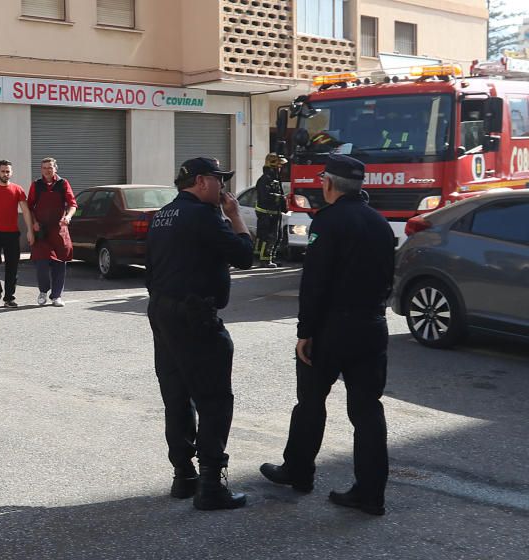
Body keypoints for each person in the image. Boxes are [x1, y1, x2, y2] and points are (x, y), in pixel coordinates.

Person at [260, 154, 395, 516]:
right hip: (372, 325)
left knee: (310, 402)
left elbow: (315, 282)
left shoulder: (328, 221)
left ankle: (299, 471)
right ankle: (370, 493)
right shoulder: (381, 224)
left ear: (329, 183)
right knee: (367, 411)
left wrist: (306, 331)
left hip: (332, 328)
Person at [145, 157, 254, 511]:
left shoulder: (162, 214)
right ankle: (211, 485)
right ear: (202, 181)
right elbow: (244, 256)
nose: (223, 188)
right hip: (194, 315)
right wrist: (235, 216)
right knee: (214, 399)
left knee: (176, 396)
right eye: (219, 181)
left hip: (162, 311)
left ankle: (183, 475)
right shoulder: (203, 215)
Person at [0, 160, 35, 308]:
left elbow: (26, 211)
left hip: (12, 234)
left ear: (11, 172)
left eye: (8, 171)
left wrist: (30, 230)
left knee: (12, 266)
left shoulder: (18, 190)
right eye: (3, 171)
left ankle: (9, 297)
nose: (5, 174)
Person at [27, 157, 76, 307]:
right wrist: (33, 223)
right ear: (41, 170)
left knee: (60, 263)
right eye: (44, 168)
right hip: (41, 230)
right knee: (41, 263)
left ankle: (57, 296)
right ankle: (43, 292)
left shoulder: (63, 183)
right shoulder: (36, 185)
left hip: (59, 230)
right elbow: (29, 206)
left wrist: (67, 217)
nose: (47, 170)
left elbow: (72, 204)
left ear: (55, 168)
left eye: (50, 167)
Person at [253, 153, 287, 268]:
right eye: (279, 165)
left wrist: (284, 204)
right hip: (267, 214)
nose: (280, 168)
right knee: (268, 236)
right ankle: (265, 260)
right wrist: (280, 198)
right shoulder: (264, 179)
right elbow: (265, 196)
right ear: (272, 165)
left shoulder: (275, 178)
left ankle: (271, 257)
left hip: (274, 213)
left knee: (277, 236)